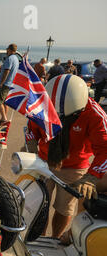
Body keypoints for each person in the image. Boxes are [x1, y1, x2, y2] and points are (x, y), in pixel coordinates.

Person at [25, 74, 107, 240]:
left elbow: (105, 150)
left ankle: (56, 238)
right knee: (38, 204)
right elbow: (30, 129)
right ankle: (36, 238)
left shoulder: (96, 115)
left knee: (64, 208)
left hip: (75, 167)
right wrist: (31, 144)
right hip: (43, 161)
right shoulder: (41, 106)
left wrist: (92, 177)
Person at [0, 43, 19, 127]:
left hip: (5, 83)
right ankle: (2, 118)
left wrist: (1, 83)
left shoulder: (10, 58)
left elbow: (7, 71)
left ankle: (4, 119)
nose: (6, 50)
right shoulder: (15, 58)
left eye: (7, 49)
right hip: (10, 83)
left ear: (10, 50)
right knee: (4, 102)